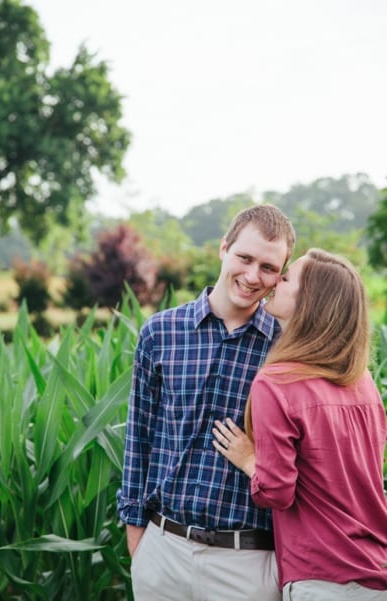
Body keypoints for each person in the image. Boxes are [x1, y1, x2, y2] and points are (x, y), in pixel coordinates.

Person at [117, 204, 296, 600]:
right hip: (162, 550)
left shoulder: (287, 349)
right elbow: (138, 437)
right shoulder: (161, 332)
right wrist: (138, 538)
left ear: (280, 276)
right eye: (244, 258)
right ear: (223, 249)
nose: (252, 277)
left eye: (268, 268)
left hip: (246, 562)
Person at [213, 248, 387, 600]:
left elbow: (277, 491)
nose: (276, 280)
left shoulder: (275, 383)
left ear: (308, 301)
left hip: (323, 575)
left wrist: (249, 459)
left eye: (287, 277)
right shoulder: (362, 381)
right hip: (376, 570)